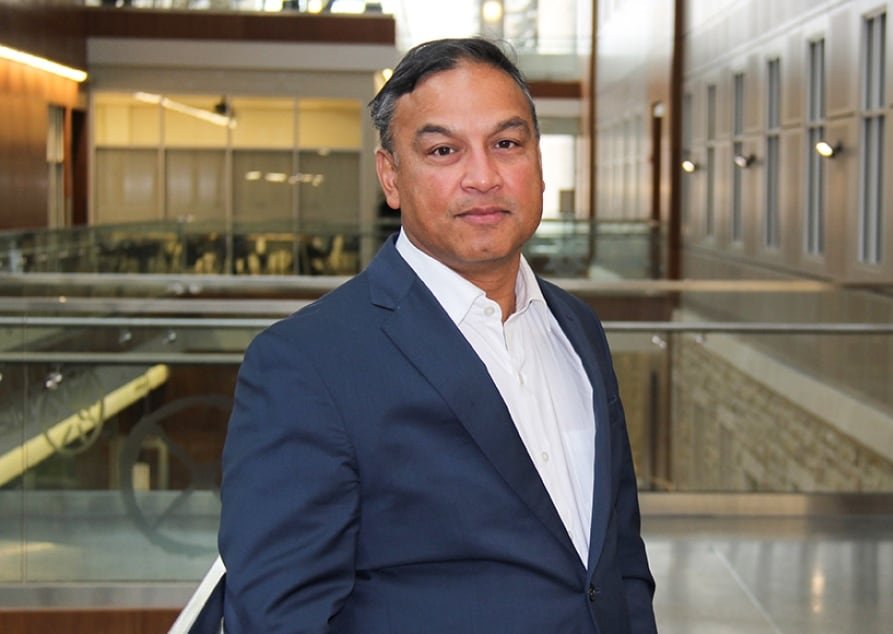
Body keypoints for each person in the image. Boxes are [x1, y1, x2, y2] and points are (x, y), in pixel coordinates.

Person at [217, 38, 658, 632]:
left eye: (506, 144)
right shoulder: (306, 364)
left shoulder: (578, 329)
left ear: (539, 163)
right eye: (444, 150)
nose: (483, 176)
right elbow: (281, 619)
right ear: (391, 177)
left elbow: (620, 561)